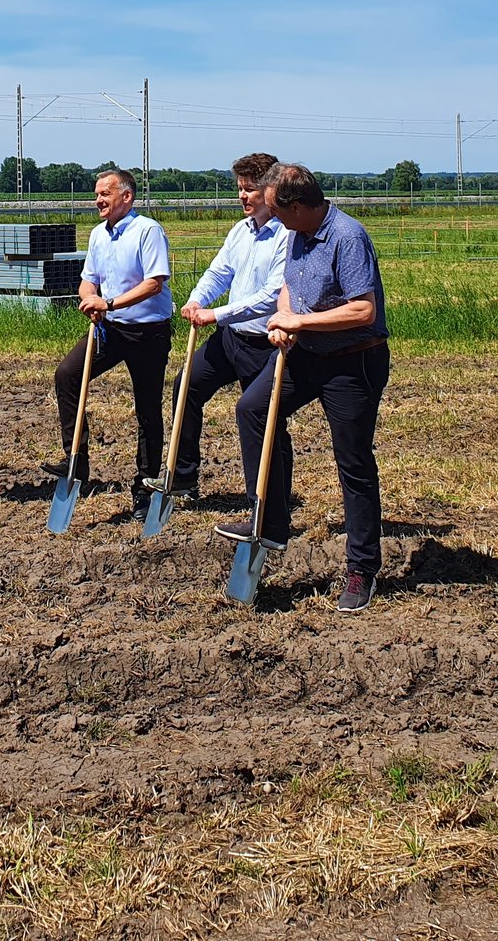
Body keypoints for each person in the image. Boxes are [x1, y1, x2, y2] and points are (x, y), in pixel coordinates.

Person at [217, 163, 390, 613]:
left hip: (353, 362)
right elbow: (291, 289)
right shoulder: (295, 232)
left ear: (297, 206)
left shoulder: (348, 237)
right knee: (252, 409)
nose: (272, 221)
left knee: (352, 460)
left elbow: (363, 311)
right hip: (305, 354)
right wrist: (284, 321)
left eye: (277, 211)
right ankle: (270, 520)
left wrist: (300, 321)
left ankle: (361, 568)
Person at [146, 151, 288, 501]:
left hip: (265, 343)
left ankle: (273, 499)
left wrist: (217, 314)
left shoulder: (287, 234)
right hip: (229, 340)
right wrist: (197, 300)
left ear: (270, 190)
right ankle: (181, 479)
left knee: (266, 420)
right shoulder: (240, 231)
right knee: (186, 386)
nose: (242, 196)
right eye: (239, 188)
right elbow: (219, 272)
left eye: (250, 189)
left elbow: (272, 296)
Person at [46, 169, 172, 521]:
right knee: (67, 375)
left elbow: (155, 283)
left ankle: (145, 489)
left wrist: (110, 303)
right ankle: (76, 459)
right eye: (97, 194)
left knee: (147, 409)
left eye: (105, 193)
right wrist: (89, 298)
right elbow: (89, 280)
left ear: (126, 197)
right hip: (109, 330)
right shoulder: (99, 234)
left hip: (147, 332)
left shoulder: (148, 231)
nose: (98, 200)